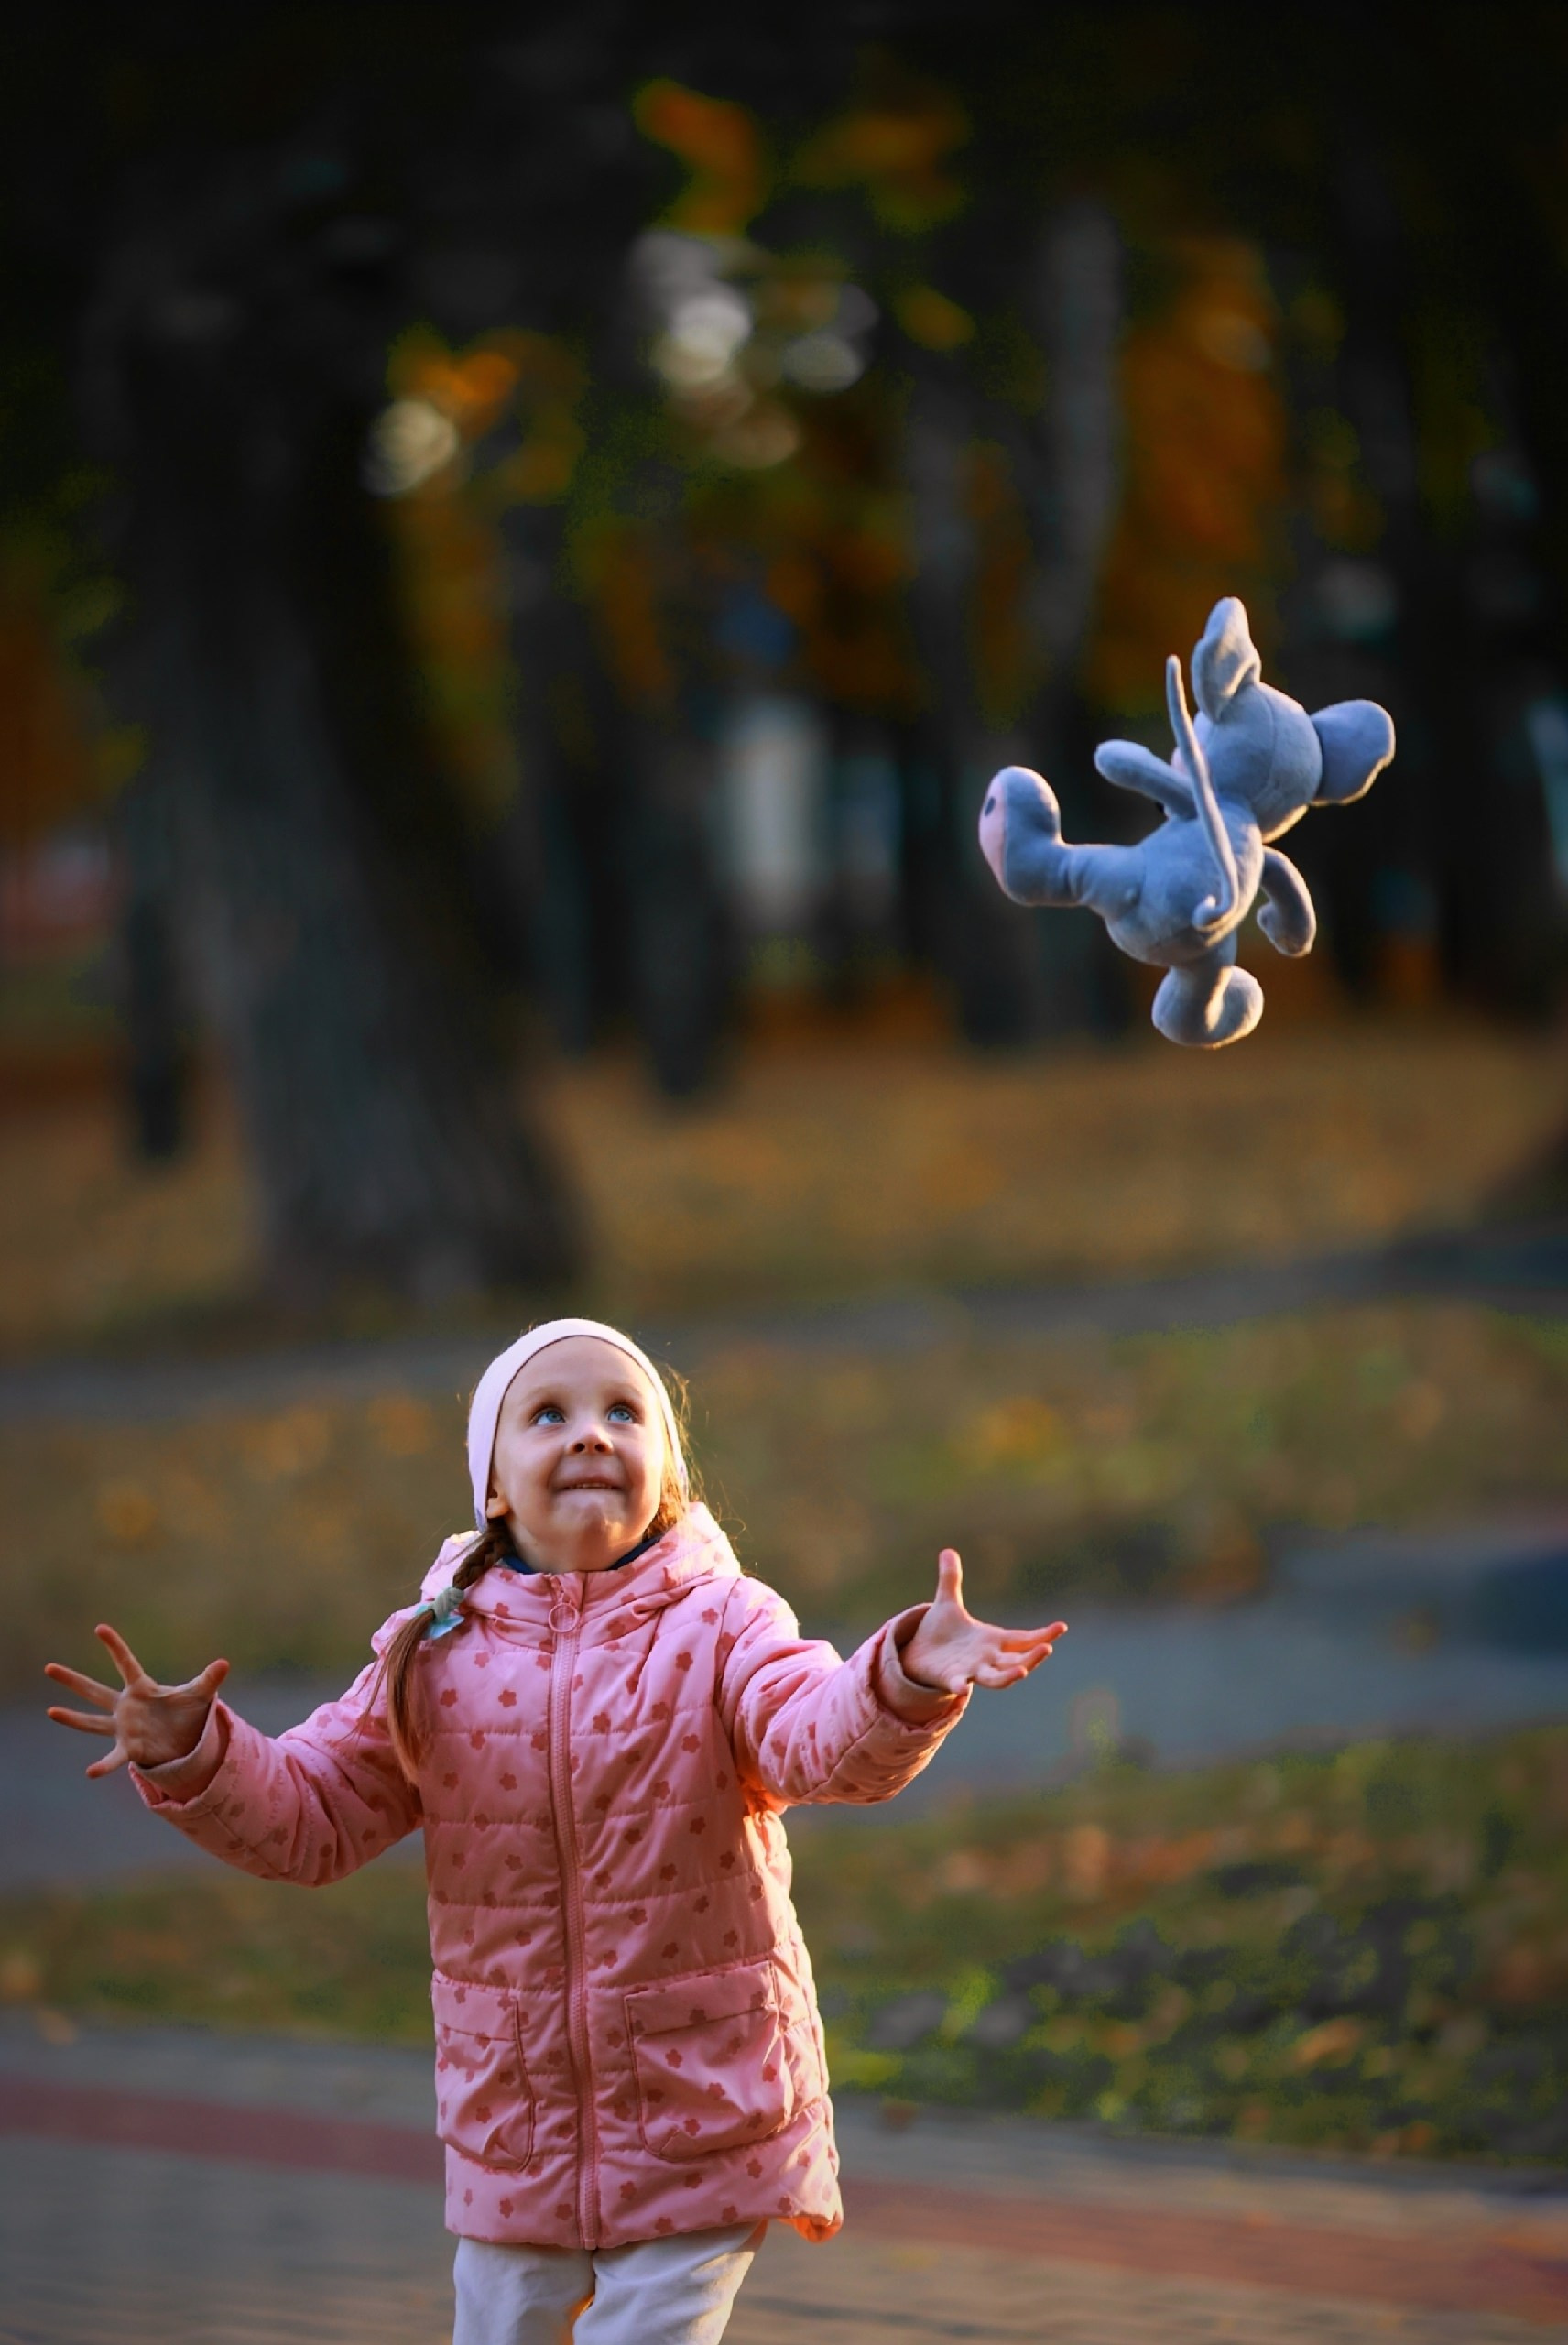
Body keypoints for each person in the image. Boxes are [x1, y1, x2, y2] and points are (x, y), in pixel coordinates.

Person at [46, 1317, 1067, 2345]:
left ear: (664, 1476)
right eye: (549, 1414)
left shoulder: (723, 1625)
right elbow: (311, 1814)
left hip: (700, 2113)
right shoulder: (430, 1653)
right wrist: (197, 1755)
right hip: (515, 2124)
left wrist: (902, 1675)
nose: (590, 1434)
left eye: (623, 1412)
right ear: (492, 1486)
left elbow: (814, 1742)